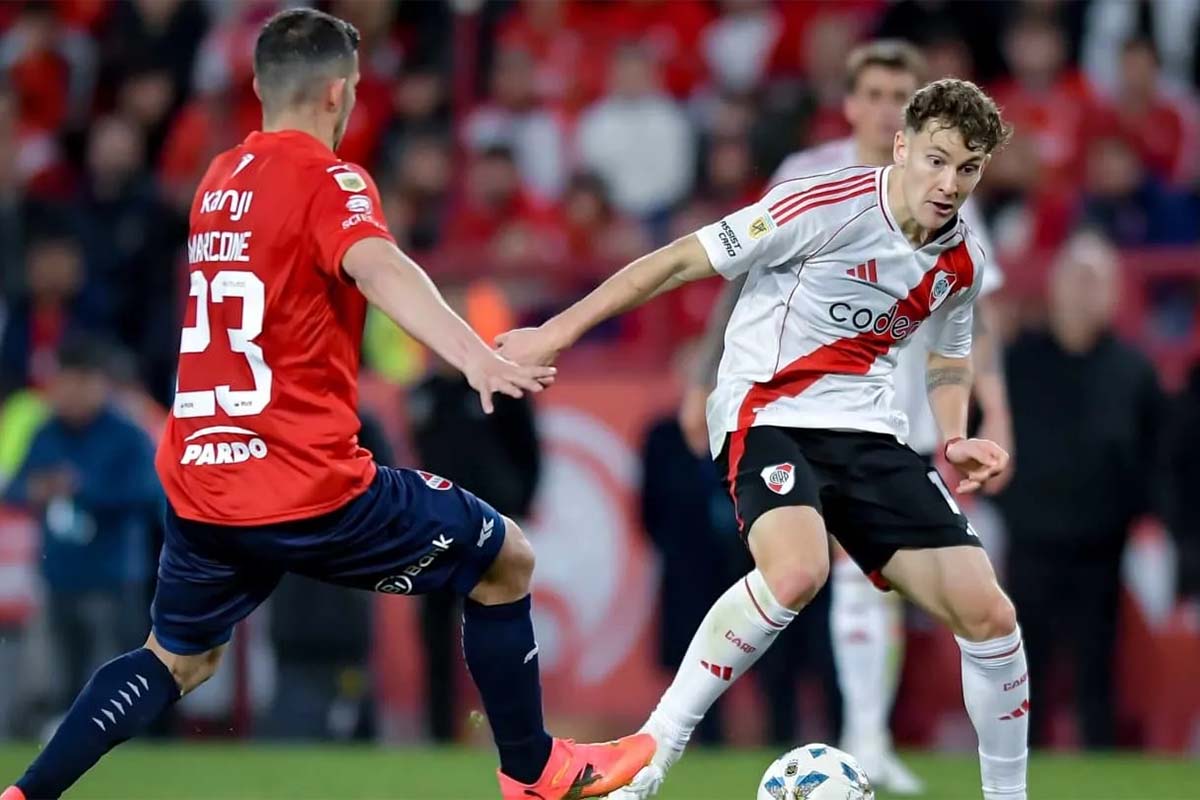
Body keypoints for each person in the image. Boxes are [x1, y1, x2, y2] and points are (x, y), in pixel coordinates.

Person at [0, 10, 652, 800]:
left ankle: (25, 793)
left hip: (204, 477)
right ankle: (535, 773)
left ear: (256, 85)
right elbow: (377, 265)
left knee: (177, 658)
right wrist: (472, 354)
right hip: (305, 482)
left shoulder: (216, 181)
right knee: (503, 557)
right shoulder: (330, 179)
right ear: (341, 92)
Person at [498, 79, 1027, 800]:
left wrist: (957, 432)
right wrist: (553, 332)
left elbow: (949, 354)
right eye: (935, 160)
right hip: (768, 413)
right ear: (901, 146)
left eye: (967, 170)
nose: (948, 183)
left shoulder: (960, 259)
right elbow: (677, 260)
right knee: (797, 571)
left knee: (990, 613)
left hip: (870, 435)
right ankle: (650, 758)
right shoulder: (821, 205)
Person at [678, 40, 1013, 794]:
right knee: (805, 569)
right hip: (791, 397)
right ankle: (687, 738)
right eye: (876, 91)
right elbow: (733, 271)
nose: (889, 102)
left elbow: (968, 318)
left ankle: (868, 732)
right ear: (859, 106)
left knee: (881, 587)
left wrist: (981, 422)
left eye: (903, 88)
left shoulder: (952, 190)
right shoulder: (808, 179)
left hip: (896, 406)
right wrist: (704, 373)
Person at [996, 231, 1163, 749]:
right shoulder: (1016, 363)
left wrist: (1134, 515)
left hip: (1102, 546)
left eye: (1096, 280)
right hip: (1028, 542)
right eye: (1076, 277)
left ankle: (1099, 765)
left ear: (1114, 293)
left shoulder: (1134, 372)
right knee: (1026, 671)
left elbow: (1155, 455)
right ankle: (1018, 772)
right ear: (1055, 286)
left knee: (1098, 670)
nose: (1085, 292)